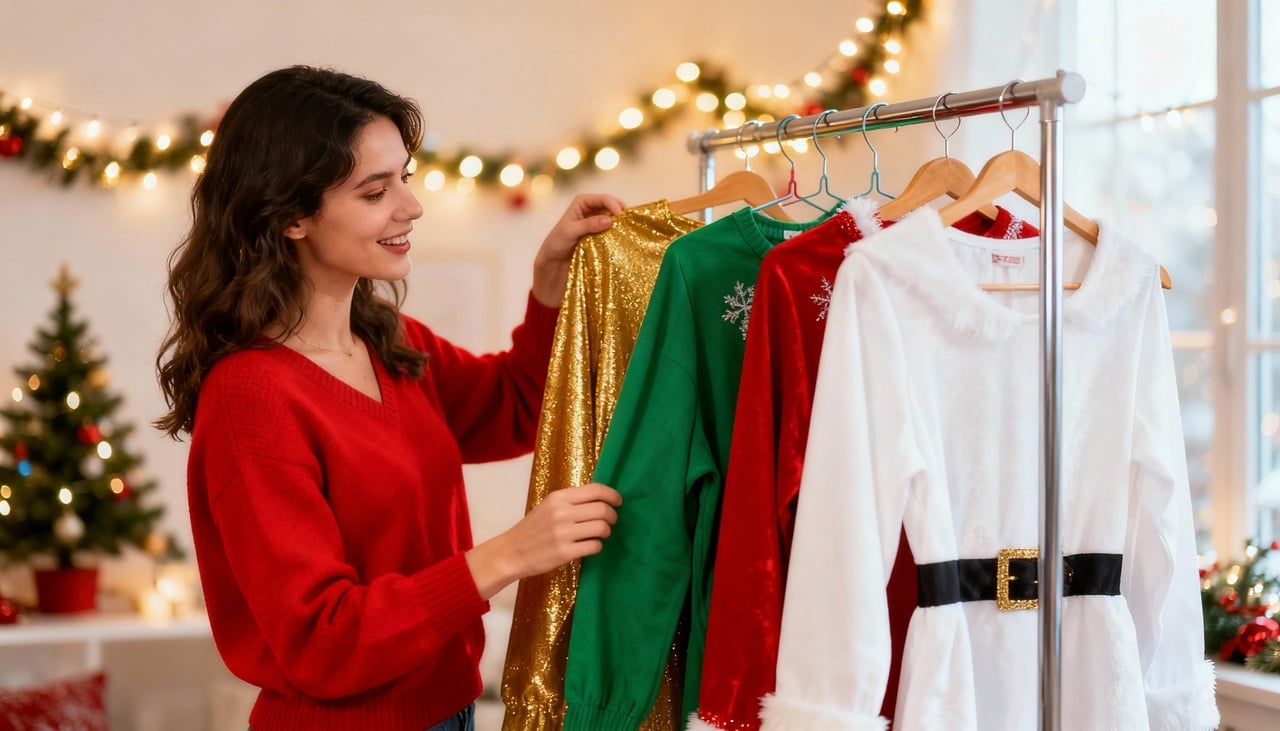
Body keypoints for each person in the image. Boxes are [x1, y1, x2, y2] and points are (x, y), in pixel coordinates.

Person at [154, 65, 624, 731]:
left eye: (404, 176)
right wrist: (511, 554)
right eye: (376, 191)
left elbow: (518, 404)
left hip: (449, 711)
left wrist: (549, 280)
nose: (411, 206)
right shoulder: (251, 396)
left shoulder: (389, 341)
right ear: (290, 215)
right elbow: (322, 639)